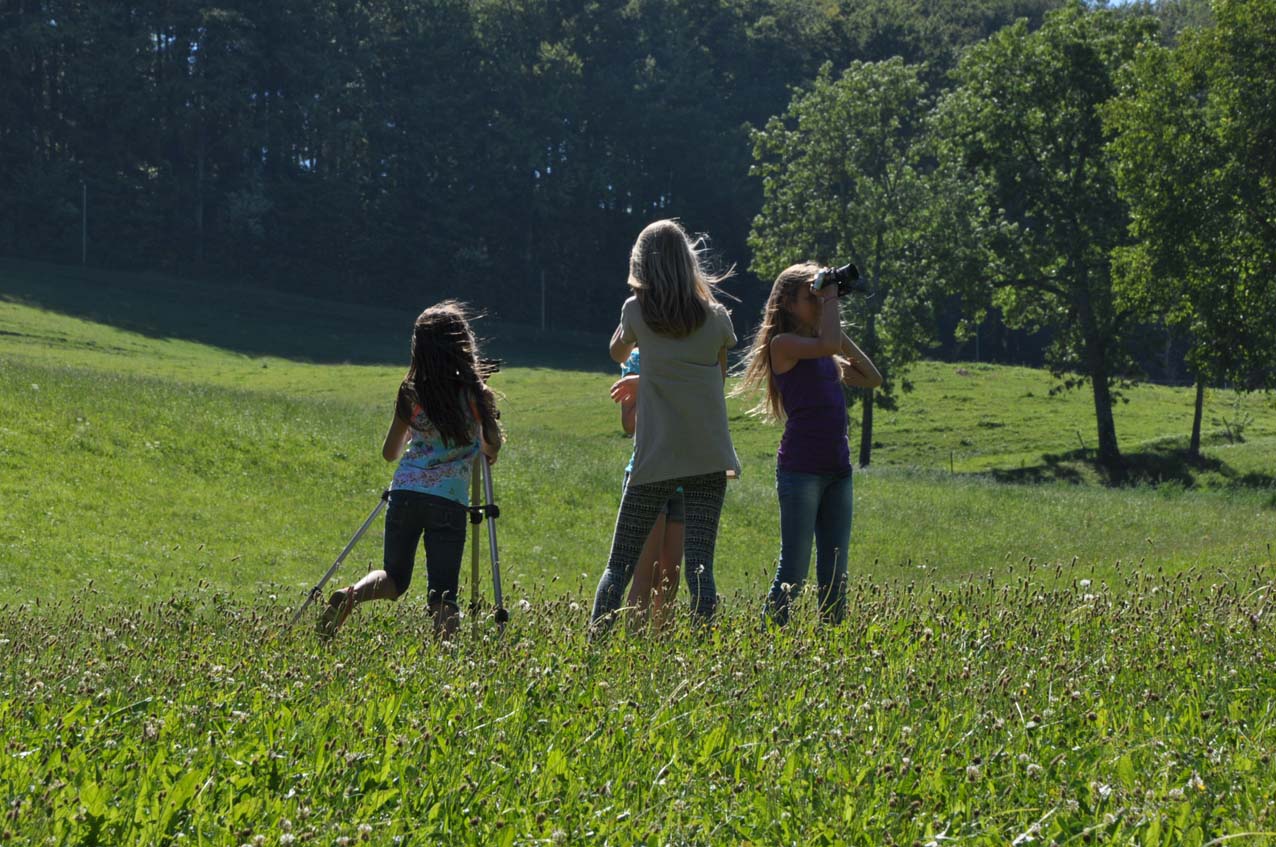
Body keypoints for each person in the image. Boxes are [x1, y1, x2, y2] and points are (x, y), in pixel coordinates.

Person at [590, 219, 742, 636]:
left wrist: (644, 360)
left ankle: (594, 647)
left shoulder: (635, 311)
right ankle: (704, 649)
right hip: (709, 456)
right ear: (689, 263)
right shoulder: (717, 317)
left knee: (619, 566)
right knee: (700, 568)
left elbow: (617, 351)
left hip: (657, 456)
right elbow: (717, 379)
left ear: (640, 265)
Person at [318, 301, 502, 639]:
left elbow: (389, 453)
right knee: (443, 593)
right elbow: (492, 445)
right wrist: (482, 431)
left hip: (404, 494)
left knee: (394, 577)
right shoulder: (475, 395)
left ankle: (351, 596)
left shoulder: (410, 392)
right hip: (448, 501)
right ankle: (446, 656)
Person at [734, 262, 882, 625]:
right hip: (801, 471)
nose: (818, 303)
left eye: (820, 297)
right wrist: (830, 303)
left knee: (835, 573)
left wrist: (834, 327)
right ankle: (768, 635)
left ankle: (832, 640)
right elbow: (827, 343)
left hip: (838, 470)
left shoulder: (825, 354)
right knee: (794, 573)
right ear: (787, 303)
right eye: (810, 298)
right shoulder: (783, 345)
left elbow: (872, 377)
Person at [610, 348, 685, 629]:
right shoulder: (637, 358)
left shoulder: (689, 352)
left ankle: (662, 646)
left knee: (670, 577)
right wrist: (653, 383)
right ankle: (636, 647)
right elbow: (629, 424)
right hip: (648, 473)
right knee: (646, 574)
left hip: (684, 477)